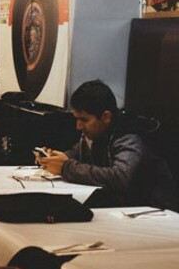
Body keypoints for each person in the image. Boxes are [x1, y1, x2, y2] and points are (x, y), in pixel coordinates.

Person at [37, 80, 178, 210]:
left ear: (106, 117)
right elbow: (79, 151)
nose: (78, 126)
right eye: (77, 119)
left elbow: (120, 177)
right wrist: (56, 158)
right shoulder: (99, 130)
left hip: (154, 209)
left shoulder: (128, 135)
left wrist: (65, 167)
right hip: (125, 206)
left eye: (84, 120)